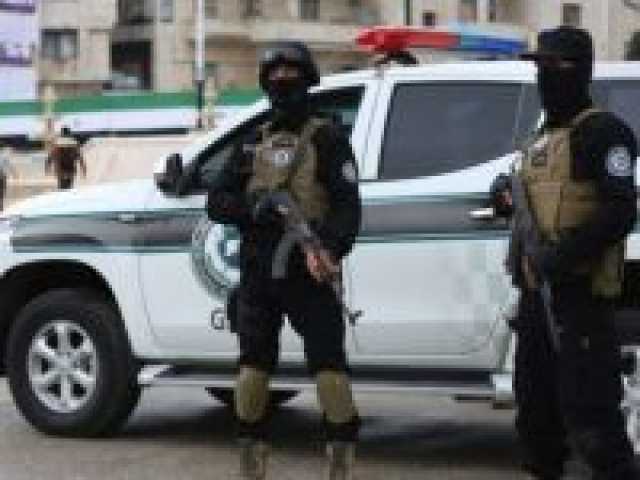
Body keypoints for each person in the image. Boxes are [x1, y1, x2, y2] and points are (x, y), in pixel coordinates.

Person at [206, 41, 362, 480]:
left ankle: (340, 463)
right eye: (275, 78)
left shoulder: (327, 139)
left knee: (329, 368)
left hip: (308, 267)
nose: (283, 83)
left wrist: (327, 248)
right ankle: (251, 464)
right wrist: (253, 209)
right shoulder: (253, 142)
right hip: (258, 270)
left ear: (308, 81)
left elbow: (347, 206)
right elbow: (216, 201)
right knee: (253, 367)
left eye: (291, 76)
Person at [492, 27, 640, 479]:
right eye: (541, 67)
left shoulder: (603, 133)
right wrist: (504, 194)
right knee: (536, 422)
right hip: (537, 300)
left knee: (594, 425)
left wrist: (561, 257)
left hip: (581, 301)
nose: (545, 76)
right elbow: (534, 196)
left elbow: (619, 211)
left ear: (580, 71)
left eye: (555, 66)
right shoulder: (541, 137)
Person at [0, 143, 18, 211]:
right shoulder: (4, 155)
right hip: (1, 176)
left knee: (2, 193)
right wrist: (15, 174)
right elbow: (10, 165)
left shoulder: (4, 155)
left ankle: (1, 207)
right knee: (1, 193)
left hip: (2, 175)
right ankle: (1, 208)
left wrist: (14, 173)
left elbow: (9, 165)